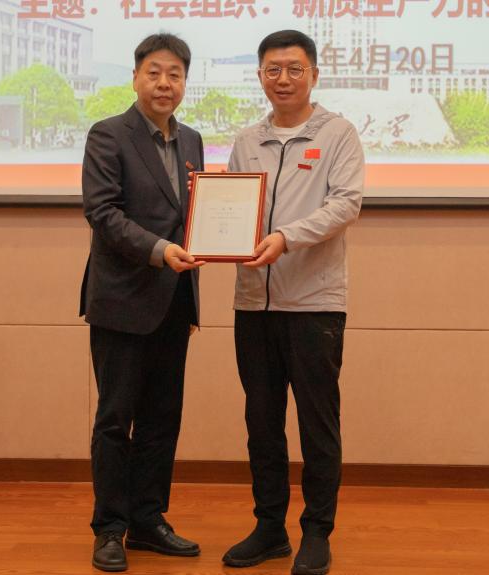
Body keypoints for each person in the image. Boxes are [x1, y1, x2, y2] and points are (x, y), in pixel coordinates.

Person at [220, 30, 364, 575]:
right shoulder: (246, 140)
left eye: (295, 69)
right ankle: (269, 528)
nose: (283, 79)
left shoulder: (338, 134)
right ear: (260, 76)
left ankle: (317, 532)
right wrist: (209, 214)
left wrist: (286, 237)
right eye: (273, 70)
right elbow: (233, 208)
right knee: (261, 423)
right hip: (253, 303)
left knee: (317, 425)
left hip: (314, 303)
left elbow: (346, 205)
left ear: (314, 75)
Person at [79, 33, 205, 573]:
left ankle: (149, 520)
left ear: (185, 82)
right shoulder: (108, 134)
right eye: (154, 72)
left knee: (162, 419)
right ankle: (110, 528)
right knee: (115, 420)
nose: (164, 84)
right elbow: (103, 213)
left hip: (174, 301)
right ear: (135, 77)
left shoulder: (192, 139)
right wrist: (159, 251)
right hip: (122, 300)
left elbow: (194, 214)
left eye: (175, 74)